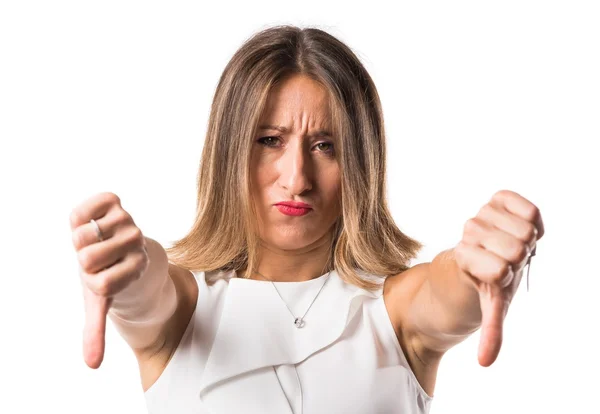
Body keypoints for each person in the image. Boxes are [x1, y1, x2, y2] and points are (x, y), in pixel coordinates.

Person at [69, 25, 544, 414]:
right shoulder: (185, 311)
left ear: (360, 165)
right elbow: (149, 294)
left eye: (325, 146)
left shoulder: (395, 313)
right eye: (270, 140)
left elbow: (445, 294)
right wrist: (128, 266)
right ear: (229, 152)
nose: (296, 178)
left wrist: (474, 265)